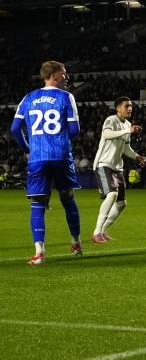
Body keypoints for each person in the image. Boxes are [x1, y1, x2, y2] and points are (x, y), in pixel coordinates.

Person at [10, 61, 82, 265]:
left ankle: (39, 252)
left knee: (37, 204)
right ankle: (76, 242)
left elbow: (15, 129)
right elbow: (75, 129)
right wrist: (61, 142)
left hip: (38, 158)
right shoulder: (66, 97)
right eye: (64, 73)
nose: (67, 77)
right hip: (60, 156)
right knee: (67, 198)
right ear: (54, 75)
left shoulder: (28, 98)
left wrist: (28, 149)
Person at [91, 96, 146, 243]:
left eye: (131, 106)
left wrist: (137, 157)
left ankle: (103, 231)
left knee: (122, 203)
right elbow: (106, 134)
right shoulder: (111, 120)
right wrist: (127, 130)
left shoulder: (128, 124)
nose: (130, 108)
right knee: (112, 195)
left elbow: (126, 148)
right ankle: (97, 232)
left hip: (117, 167)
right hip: (103, 163)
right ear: (118, 108)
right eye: (126, 106)